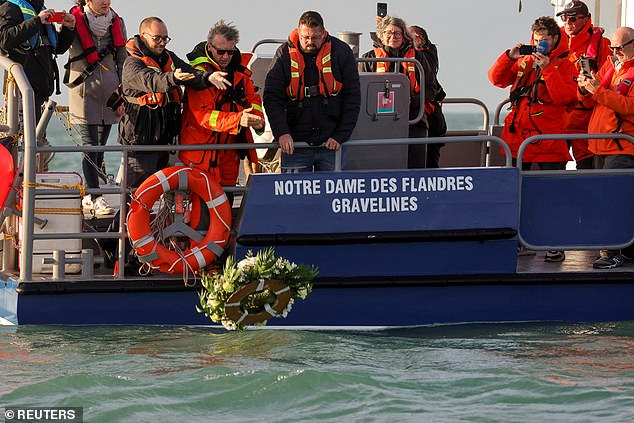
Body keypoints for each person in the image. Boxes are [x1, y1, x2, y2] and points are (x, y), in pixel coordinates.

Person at [488, 16, 578, 263]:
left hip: (548, 140)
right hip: (519, 139)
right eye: (537, 40)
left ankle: (554, 244)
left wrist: (548, 68)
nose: (540, 44)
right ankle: (520, 241)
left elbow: (566, 98)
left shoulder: (566, 65)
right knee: (517, 195)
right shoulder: (524, 63)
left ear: (555, 39)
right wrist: (509, 56)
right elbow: (496, 79)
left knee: (552, 195)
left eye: (545, 40)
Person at [118, 16, 229, 190]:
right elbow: (150, 80)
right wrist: (173, 78)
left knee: (166, 189)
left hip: (165, 138)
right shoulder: (132, 63)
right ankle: (123, 219)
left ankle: (164, 217)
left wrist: (209, 77)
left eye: (165, 38)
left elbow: (190, 72)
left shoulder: (168, 57)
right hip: (140, 140)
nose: (162, 43)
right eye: (157, 38)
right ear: (143, 35)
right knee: (136, 193)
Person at [263, 11, 360, 172]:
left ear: (323, 33)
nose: (309, 42)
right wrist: (282, 132)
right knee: (294, 196)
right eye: (305, 37)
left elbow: (353, 97)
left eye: (315, 37)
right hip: (295, 145)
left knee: (332, 194)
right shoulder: (284, 55)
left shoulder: (341, 52)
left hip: (332, 143)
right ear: (298, 32)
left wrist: (340, 135)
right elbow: (272, 97)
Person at [179, 19, 264, 198]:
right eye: (220, 52)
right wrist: (238, 120)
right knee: (201, 216)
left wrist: (257, 120)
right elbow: (203, 116)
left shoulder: (241, 74)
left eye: (230, 52)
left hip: (229, 156)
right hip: (200, 155)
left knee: (226, 207)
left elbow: (254, 100)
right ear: (210, 47)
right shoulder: (198, 75)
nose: (225, 57)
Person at [577, 26, 634, 269]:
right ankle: (620, 250)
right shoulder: (613, 67)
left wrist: (597, 91)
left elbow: (628, 107)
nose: (614, 52)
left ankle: (612, 252)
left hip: (621, 147)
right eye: (612, 47)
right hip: (602, 145)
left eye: (619, 47)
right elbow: (589, 98)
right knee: (607, 200)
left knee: (612, 202)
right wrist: (585, 87)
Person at [66, 0, 127, 216]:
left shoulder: (117, 22)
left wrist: (123, 94)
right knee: (90, 145)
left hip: (110, 92)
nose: (106, 2)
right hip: (83, 90)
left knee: (100, 146)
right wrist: (65, 27)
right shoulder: (74, 19)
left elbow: (123, 59)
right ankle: (93, 196)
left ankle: (94, 186)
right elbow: (61, 46)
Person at [0, 0, 75, 171]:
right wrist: (36, 21)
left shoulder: (38, 9)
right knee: (24, 138)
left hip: (41, 88)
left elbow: (56, 48)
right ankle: (21, 186)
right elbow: (5, 40)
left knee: (37, 139)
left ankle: (36, 181)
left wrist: (68, 29)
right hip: (21, 90)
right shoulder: (10, 7)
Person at [360, 16, 441, 169]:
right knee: (380, 169)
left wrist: (410, 100)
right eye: (388, 33)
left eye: (397, 33)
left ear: (404, 35)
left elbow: (432, 88)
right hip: (378, 124)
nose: (393, 37)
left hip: (413, 121)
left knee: (415, 169)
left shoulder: (418, 58)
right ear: (381, 35)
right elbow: (358, 92)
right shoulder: (368, 59)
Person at [558, 0, 611, 170]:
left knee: (586, 170)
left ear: (586, 18)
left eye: (572, 18)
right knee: (551, 171)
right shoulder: (554, 39)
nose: (567, 22)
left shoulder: (603, 44)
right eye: (564, 18)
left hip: (585, 119)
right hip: (558, 116)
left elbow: (608, 81)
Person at [408, 24, 447, 166]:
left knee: (430, 160)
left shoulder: (426, 56)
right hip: (420, 117)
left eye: (409, 35)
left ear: (420, 38)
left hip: (431, 117)